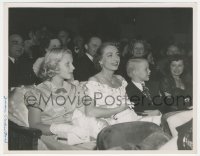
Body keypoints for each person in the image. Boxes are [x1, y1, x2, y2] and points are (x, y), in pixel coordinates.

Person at [25, 48, 107, 146]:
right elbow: (34, 125)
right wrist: (60, 128)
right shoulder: (38, 92)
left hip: (77, 135)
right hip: (50, 140)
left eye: (72, 63)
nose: (73, 68)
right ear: (54, 66)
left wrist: (99, 122)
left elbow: (85, 113)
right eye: (67, 64)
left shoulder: (75, 89)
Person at [84, 42, 161, 126]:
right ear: (100, 60)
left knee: (165, 118)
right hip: (112, 125)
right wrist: (119, 109)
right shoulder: (94, 81)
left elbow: (133, 105)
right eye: (110, 55)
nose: (116, 58)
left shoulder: (120, 79)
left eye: (117, 54)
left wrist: (149, 113)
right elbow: (90, 112)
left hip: (130, 118)